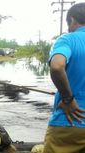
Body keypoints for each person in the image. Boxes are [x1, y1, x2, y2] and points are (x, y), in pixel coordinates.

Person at [43, 3, 85, 153]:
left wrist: (68, 99)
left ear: (73, 20)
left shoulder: (68, 40)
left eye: (69, 24)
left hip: (71, 123)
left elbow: (57, 66)